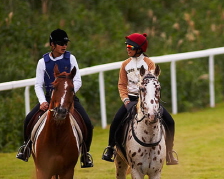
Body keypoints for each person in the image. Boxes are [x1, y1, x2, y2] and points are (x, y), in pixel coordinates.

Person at [16, 29, 94, 168]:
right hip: (48, 99)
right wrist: (43, 102)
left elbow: (78, 81)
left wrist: (66, 95)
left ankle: (85, 155)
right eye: (60, 43)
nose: (64, 46)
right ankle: (26, 149)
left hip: (69, 98)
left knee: (87, 123)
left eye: (65, 43)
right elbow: (38, 85)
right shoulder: (42, 62)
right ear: (52, 45)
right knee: (28, 119)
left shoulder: (71, 58)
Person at [101, 32, 178, 165]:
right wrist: (126, 101)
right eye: (126, 46)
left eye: (130, 46)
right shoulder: (125, 65)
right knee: (116, 121)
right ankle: (110, 148)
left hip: (148, 100)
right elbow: (122, 85)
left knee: (170, 121)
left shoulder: (149, 63)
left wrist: (149, 101)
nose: (127, 49)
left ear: (139, 48)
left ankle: (169, 153)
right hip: (130, 100)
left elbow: (153, 84)